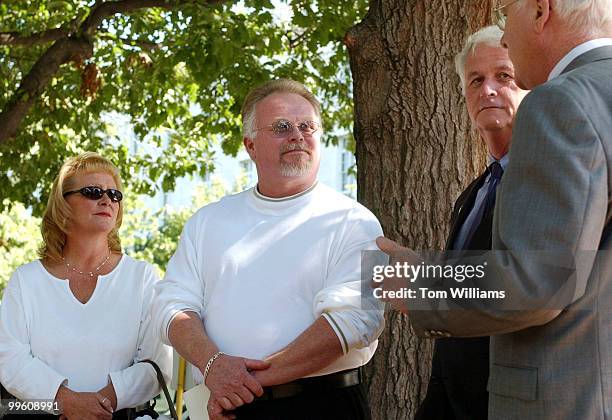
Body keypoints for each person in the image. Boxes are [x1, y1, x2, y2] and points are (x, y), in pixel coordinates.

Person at [377, 0, 612, 418]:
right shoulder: (475, 191)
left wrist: (418, 288)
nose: (504, 34)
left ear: (541, 12)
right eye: (474, 80)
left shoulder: (561, 101)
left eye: (506, 14)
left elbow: (537, 279)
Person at [153, 79, 384, 420]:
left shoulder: (355, 222)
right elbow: (170, 307)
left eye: (307, 125)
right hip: (225, 409)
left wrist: (238, 384)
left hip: (322, 406)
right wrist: (215, 367)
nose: (297, 134)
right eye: (281, 127)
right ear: (250, 146)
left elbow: (354, 320)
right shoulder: (208, 222)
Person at [0, 152, 172, 420]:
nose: (107, 200)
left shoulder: (142, 277)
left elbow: (157, 363)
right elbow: (9, 360)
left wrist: (98, 405)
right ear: (63, 204)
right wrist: (66, 402)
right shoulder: (26, 281)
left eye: (114, 194)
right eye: (93, 192)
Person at [415, 25, 527, 420]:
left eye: (504, 76)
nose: (488, 90)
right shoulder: (473, 194)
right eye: (475, 80)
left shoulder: (542, 183)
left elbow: (530, 285)